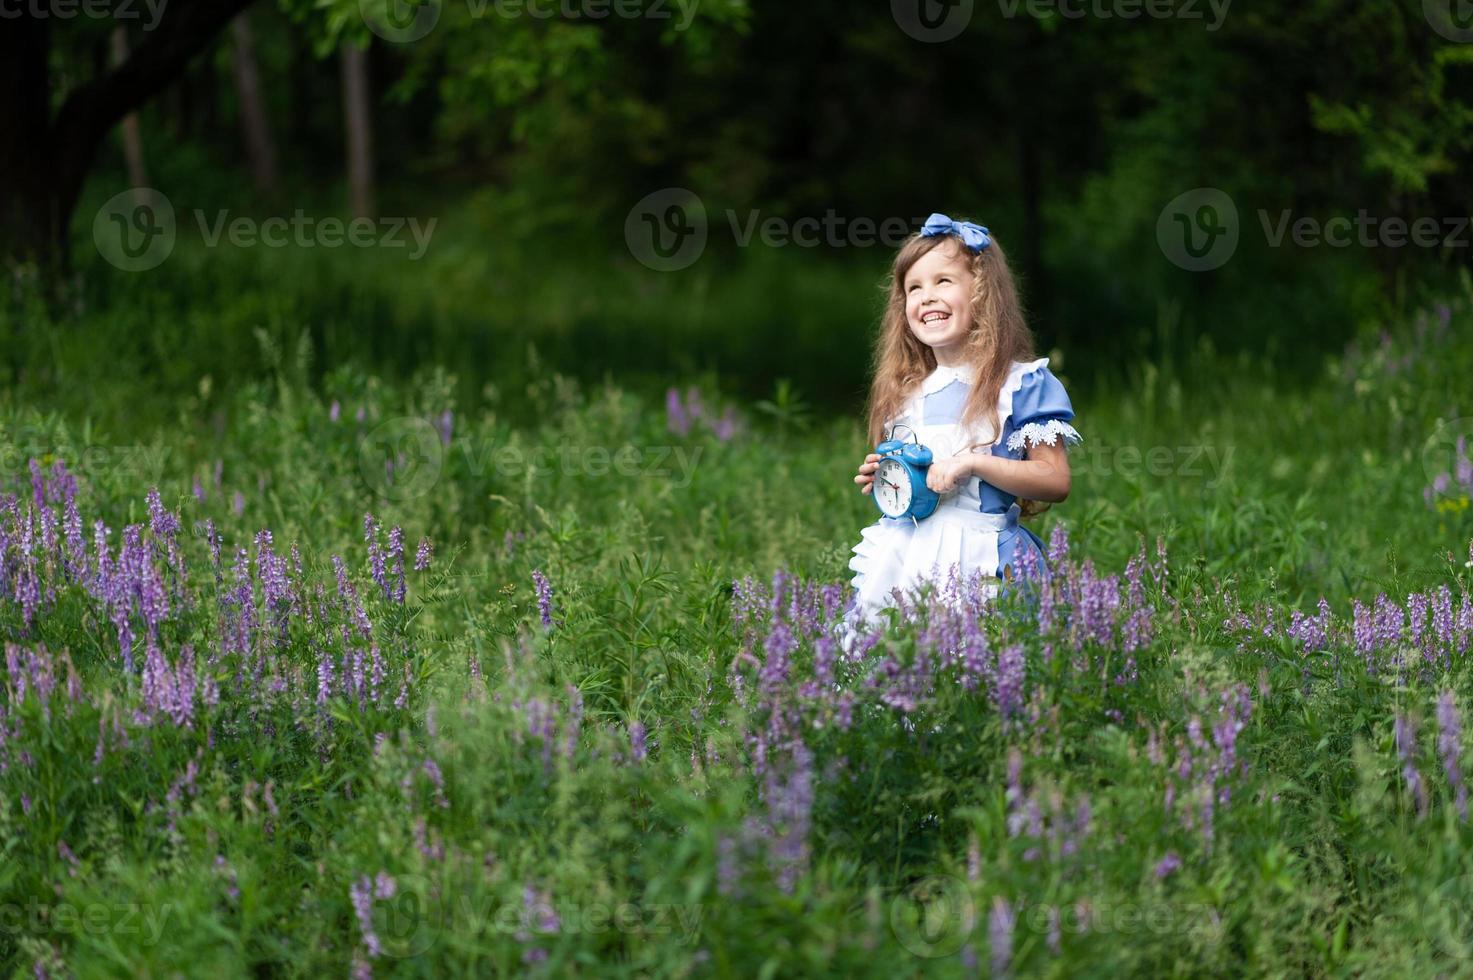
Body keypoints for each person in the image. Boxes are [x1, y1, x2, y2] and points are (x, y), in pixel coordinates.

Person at [848, 213, 1081, 625]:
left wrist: (973, 463)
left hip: (982, 554)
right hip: (906, 555)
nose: (927, 297)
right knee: (895, 663)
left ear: (981, 293)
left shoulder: (1020, 384)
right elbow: (918, 480)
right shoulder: (907, 393)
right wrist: (889, 477)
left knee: (984, 666)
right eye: (913, 288)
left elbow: (1055, 480)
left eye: (943, 281)